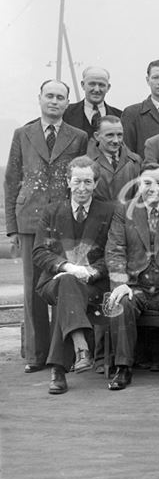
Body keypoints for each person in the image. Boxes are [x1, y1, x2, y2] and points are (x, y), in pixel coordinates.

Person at [5, 79, 89, 373]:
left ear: (67, 103)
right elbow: (12, 179)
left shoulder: (78, 136)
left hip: (63, 221)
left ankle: (63, 355)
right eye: (49, 96)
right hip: (29, 219)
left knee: (64, 286)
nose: (54, 101)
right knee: (32, 291)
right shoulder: (23, 134)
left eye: (60, 97)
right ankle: (36, 354)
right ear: (39, 99)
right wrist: (12, 226)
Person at [104, 163, 159, 391]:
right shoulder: (124, 210)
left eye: (158, 183)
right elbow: (115, 249)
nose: (152, 188)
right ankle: (123, 368)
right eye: (147, 183)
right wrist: (120, 284)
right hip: (136, 286)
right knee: (120, 302)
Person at [33, 157, 115, 394]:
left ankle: (59, 370)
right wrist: (67, 268)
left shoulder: (108, 211)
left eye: (88, 182)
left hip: (94, 284)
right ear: (68, 181)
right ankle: (81, 347)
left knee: (66, 295)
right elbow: (39, 252)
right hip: (55, 280)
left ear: (96, 183)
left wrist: (91, 271)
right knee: (67, 283)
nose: (82, 188)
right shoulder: (51, 212)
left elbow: (116, 252)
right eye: (77, 181)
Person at [121, 60, 159, 154]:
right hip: (145, 167)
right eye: (155, 78)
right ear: (148, 80)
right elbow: (127, 153)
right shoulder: (132, 114)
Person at [87, 115, 141, 203]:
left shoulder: (135, 161)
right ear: (97, 136)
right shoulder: (86, 164)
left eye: (119, 135)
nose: (116, 140)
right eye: (110, 135)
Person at [63, 66, 122, 139]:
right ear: (83, 85)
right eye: (92, 84)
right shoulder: (65, 113)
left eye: (101, 85)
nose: (97, 89)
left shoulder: (120, 116)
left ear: (108, 87)